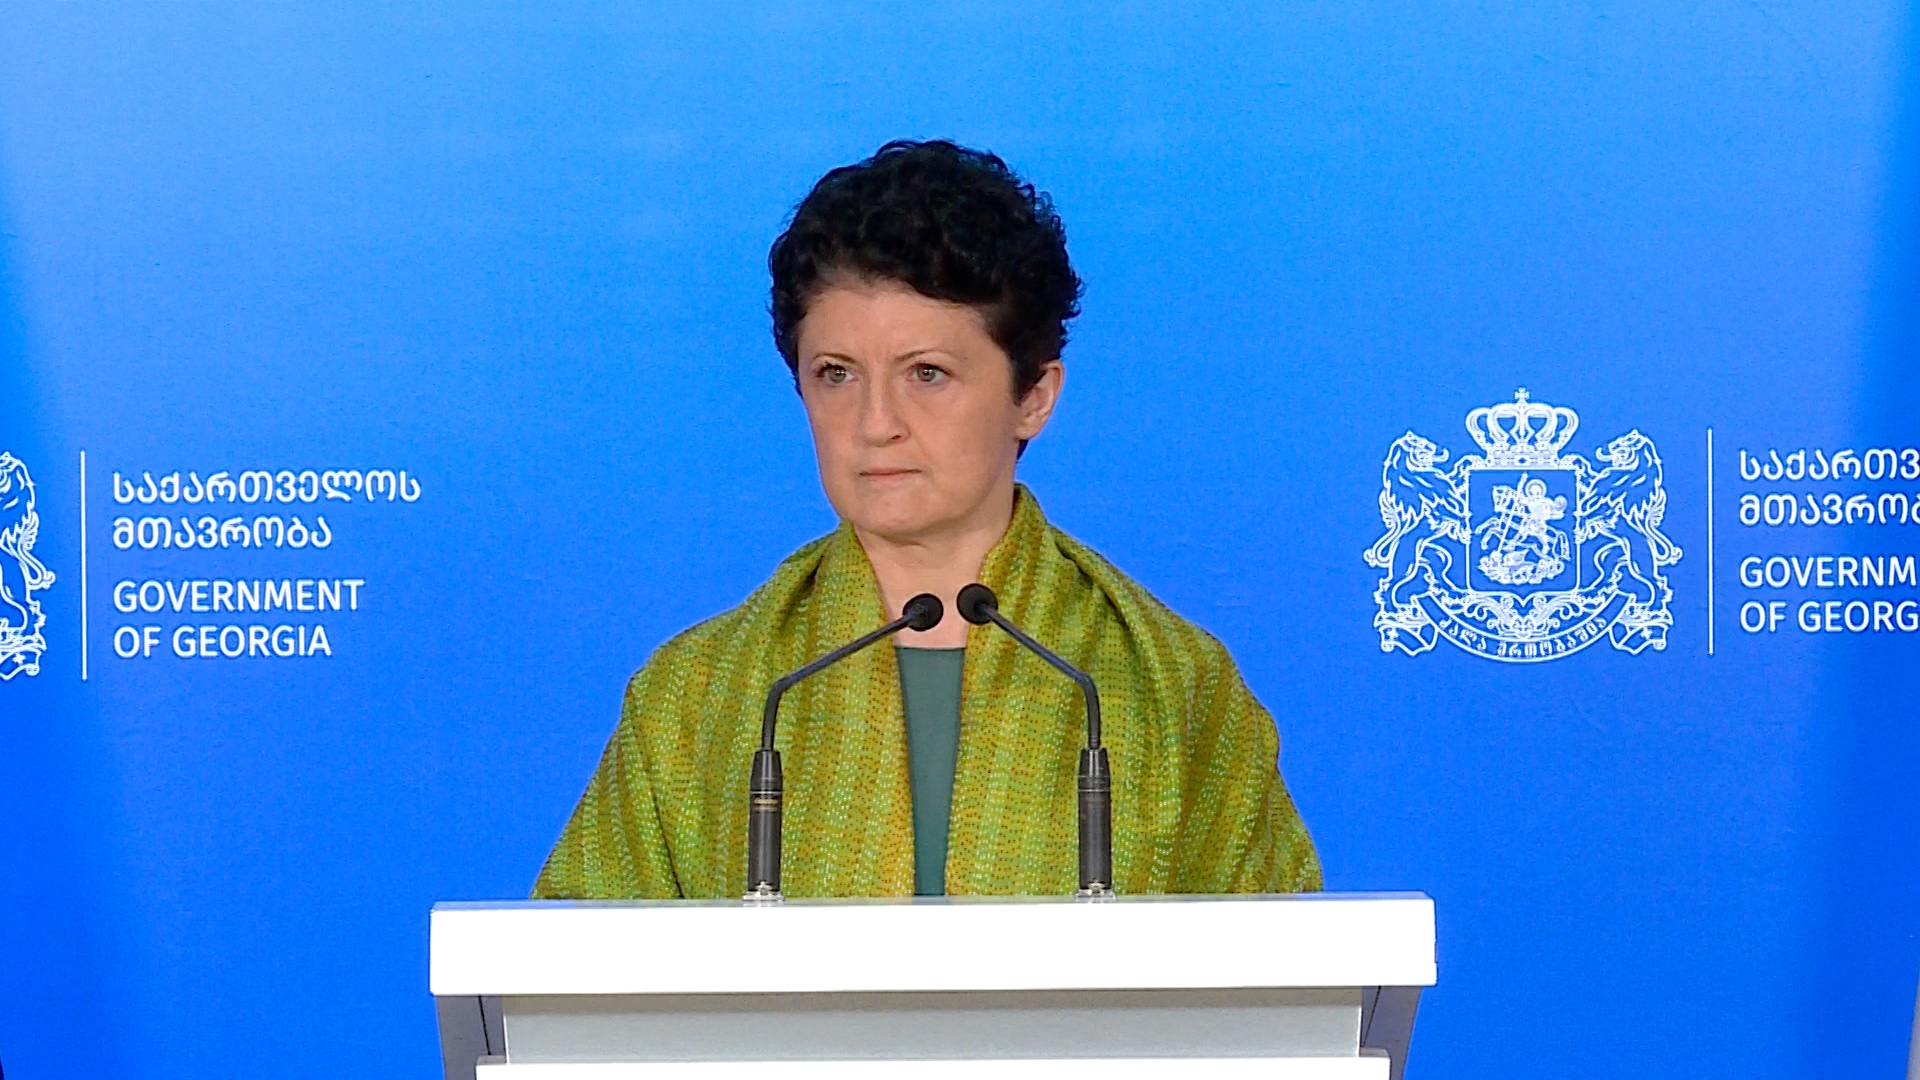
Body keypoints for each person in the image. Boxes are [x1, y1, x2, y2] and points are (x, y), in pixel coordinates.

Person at [534, 140, 1319, 899]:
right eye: (836, 374)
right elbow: (575, 975)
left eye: (928, 374)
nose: (876, 423)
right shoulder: (695, 697)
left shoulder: (1173, 687)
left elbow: (1282, 973)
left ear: (1034, 396)